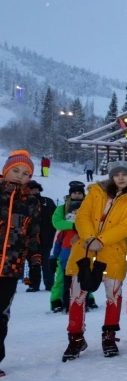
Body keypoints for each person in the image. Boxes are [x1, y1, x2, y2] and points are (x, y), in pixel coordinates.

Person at [62, 160, 127, 362]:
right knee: (77, 296)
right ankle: (75, 337)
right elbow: (82, 216)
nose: (121, 177)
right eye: (117, 174)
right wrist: (89, 238)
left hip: (113, 252)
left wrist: (101, 240)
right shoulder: (96, 193)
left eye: (125, 174)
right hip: (85, 251)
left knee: (113, 295)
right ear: (111, 176)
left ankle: (109, 336)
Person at [0, 151, 42, 376]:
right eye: (15, 171)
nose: (19, 176)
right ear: (6, 170)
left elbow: (33, 236)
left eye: (26, 174)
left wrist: (35, 264)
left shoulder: (31, 202)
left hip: (11, 267)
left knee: (1, 315)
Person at [50, 181, 90, 313]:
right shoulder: (62, 208)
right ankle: (57, 300)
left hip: (85, 246)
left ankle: (88, 298)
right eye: (75, 193)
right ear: (70, 193)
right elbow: (57, 222)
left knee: (85, 274)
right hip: (66, 246)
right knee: (62, 275)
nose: (77, 195)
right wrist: (73, 225)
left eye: (80, 193)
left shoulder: (89, 207)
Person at [25, 180, 56, 292]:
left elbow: (55, 219)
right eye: (31, 189)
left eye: (35, 189)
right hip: (30, 239)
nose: (34, 191)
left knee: (46, 262)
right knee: (33, 263)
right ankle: (33, 285)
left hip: (46, 237)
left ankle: (50, 284)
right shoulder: (24, 203)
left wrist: (52, 232)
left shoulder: (48, 202)